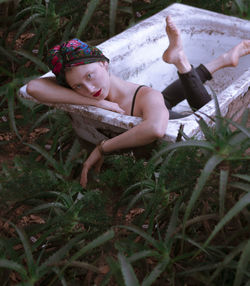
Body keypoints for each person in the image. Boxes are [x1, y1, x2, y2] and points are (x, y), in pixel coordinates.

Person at [27, 16, 250, 188]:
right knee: (166, 100)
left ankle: (184, 62)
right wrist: (99, 104)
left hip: (171, 117)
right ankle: (215, 60)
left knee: (217, 120)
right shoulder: (97, 93)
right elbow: (33, 87)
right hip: (156, 106)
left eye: (89, 76)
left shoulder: (146, 96)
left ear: (104, 64)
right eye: (77, 86)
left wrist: (102, 148)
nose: (90, 89)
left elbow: (154, 128)